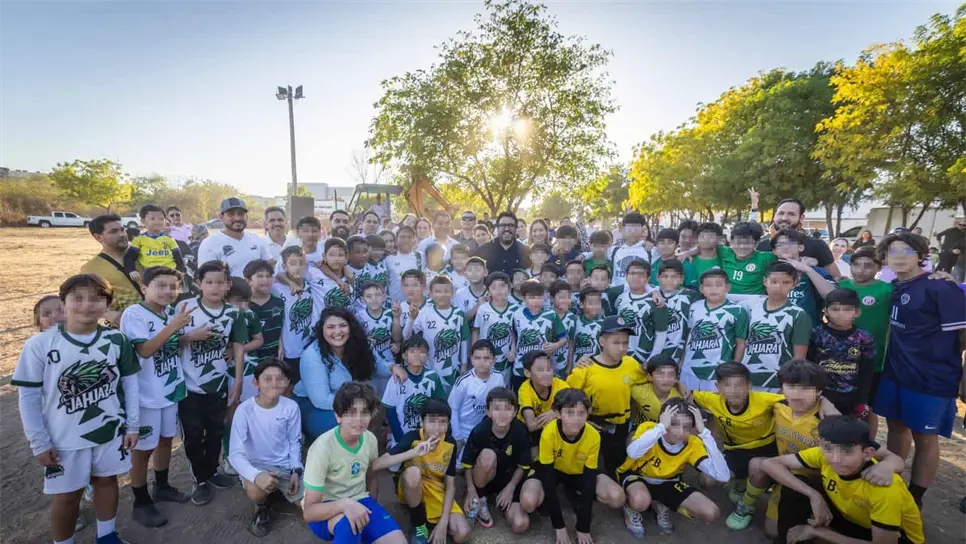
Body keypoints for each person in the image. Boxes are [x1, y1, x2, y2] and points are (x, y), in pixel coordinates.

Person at [13, 274, 140, 544]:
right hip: (64, 437)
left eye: (97, 298)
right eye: (78, 298)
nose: (87, 305)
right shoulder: (40, 344)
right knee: (68, 495)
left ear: (107, 304)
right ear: (64, 302)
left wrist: (132, 425)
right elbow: (28, 396)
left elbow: (130, 386)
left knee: (107, 482)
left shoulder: (116, 340)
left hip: (109, 430)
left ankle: (107, 537)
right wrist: (38, 441)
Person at [873, 231, 966, 509]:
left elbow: (962, 334)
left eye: (906, 250)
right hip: (896, 373)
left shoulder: (940, 287)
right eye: (893, 251)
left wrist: (942, 359)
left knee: (925, 437)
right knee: (896, 427)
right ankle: (894, 481)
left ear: (921, 255)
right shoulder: (894, 286)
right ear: (886, 258)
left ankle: (916, 496)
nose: (899, 256)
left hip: (932, 379)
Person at [761, 416, 924, 544]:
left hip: (894, 538)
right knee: (797, 485)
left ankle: (816, 535)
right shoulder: (823, 454)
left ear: (867, 453)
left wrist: (820, 532)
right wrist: (814, 496)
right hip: (850, 517)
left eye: (847, 451)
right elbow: (769, 463)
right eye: (828, 448)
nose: (836, 459)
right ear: (821, 444)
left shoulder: (884, 488)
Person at [302, 382, 430, 544]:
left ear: (372, 414)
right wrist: (345, 505)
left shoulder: (369, 439)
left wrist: (371, 510)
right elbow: (309, 512)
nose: (358, 420)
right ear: (338, 415)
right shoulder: (322, 448)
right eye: (351, 412)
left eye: (364, 413)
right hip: (326, 508)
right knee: (349, 524)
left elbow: (371, 474)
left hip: (360, 500)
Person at [120, 267, 192, 527]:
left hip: (170, 389)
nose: (167, 292)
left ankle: (161, 485)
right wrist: (174, 327)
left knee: (165, 441)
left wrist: (187, 335)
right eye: (160, 285)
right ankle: (140, 500)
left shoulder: (171, 313)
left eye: (173, 287)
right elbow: (145, 350)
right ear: (144, 288)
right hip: (146, 395)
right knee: (142, 449)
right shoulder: (134, 314)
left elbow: (174, 343)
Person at [177, 260, 248, 505]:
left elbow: (238, 347)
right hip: (189, 386)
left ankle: (212, 470)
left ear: (228, 285)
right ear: (199, 284)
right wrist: (189, 337)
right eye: (209, 282)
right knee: (194, 435)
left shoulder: (232, 313)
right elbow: (168, 342)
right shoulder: (185, 308)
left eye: (220, 282)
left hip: (218, 383)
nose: (215, 287)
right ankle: (199, 478)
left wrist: (237, 380)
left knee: (216, 430)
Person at [518, 389, 625, 544]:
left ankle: (572, 491)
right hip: (553, 471)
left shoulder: (593, 435)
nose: (576, 419)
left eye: (581, 413)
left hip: (579, 472)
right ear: (558, 413)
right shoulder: (549, 433)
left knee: (617, 497)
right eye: (569, 413)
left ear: (587, 414)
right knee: (528, 502)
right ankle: (561, 495)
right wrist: (559, 526)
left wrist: (583, 525)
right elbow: (547, 477)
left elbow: (589, 480)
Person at [619, 399, 730, 537]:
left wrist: (704, 433)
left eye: (687, 427)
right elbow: (633, 452)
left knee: (711, 512)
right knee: (640, 500)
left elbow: (723, 476)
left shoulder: (693, 443)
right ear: (663, 420)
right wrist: (660, 428)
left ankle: (662, 503)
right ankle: (630, 507)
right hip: (638, 476)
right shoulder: (649, 428)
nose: (679, 432)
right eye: (674, 424)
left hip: (670, 481)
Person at [228, 358, 303, 537]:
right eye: (267, 379)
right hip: (256, 466)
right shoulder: (244, 410)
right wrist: (256, 475)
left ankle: (278, 491)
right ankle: (262, 507)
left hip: (284, 466)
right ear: (256, 383)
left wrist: (295, 470)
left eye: (280, 379)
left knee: (311, 507)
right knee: (255, 491)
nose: (274, 384)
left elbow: (294, 441)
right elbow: (235, 454)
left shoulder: (291, 407)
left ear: (287, 383)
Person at [567, 316, 648, 477]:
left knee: (616, 468)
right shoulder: (586, 368)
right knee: (586, 469)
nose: (621, 348)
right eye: (616, 343)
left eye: (625, 343)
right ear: (602, 341)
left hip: (620, 425)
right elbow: (566, 397)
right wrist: (583, 421)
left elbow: (648, 379)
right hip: (592, 424)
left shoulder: (630, 364)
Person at [388, 399, 471, 544]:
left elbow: (450, 484)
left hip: (435, 489)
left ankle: (432, 522)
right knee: (413, 473)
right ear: (422, 421)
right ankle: (419, 525)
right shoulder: (412, 437)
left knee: (462, 534)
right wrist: (411, 453)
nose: (437, 428)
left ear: (448, 424)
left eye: (443, 422)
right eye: (431, 421)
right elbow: (378, 464)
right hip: (412, 484)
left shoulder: (450, 443)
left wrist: (443, 523)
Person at [295, 308, 376, 444]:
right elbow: (320, 400)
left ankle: (362, 448)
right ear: (322, 330)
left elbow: (379, 363)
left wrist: (393, 367)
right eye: (331, 327)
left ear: (351, 327)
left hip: (347, 399)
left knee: (371, 412)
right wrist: (358, 406)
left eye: (343, 326)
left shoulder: (358, 343)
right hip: (314, 406)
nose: (337, 332)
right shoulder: (312, 356)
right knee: (349, 423)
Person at [460, 388, 532, 532]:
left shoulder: (520, 431)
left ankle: (503, 504)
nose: (502, 414)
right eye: (496, 409)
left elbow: (523, 465)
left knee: (520, 524)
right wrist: (471, 489)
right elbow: (467, 464)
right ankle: (481, 498)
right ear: (488, 412)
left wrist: (511, 487)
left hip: (508, 479)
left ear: (515, 412)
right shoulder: (480, 431)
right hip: (484, 478)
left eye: (507, 409)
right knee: (488, 455)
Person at [740, 261, 812, 391]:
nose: (779, 287)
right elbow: (741, 343)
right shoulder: (749, 307)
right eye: (774, 282)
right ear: (765, 281)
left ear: (794, 284)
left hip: (777, 383)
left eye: (786, 283)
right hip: (747, 379)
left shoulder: (798, 315)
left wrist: (788, 385)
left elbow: (799, 358)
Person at [808, 288, 875, 417]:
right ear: (826, 311)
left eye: (847, 309)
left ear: (857, 312)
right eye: (835, 309)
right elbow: (809, 366)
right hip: (822, 396)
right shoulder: (816, 334)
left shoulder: (864, 337)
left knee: (848, 434)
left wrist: (862, 400)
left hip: (851, 397)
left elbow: (867, 371)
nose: (840, 314)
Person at [681, 269, 748, 391]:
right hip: (690, 368)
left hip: (718, 370)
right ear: (701, 289)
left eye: (719, 285)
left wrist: (734, 367)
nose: (713, 289)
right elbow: (688, 337)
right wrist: (682, 361)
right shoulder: (694, 307)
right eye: (708, 285)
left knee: (714, 407)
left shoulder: (738, 310)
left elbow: (741, 343)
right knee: (688, 405)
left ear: (727, 288)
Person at [404, 275, 470, 391]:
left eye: (446, 291)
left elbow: (464, 340)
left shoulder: (459, 314)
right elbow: (406, 336)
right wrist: (412, 318)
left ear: (452, 293)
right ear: (430, 294)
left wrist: (464, 364)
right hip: (430, 367)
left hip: (453, 369)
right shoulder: (425, 313)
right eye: (438, 291)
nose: (442, 294)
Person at [382, 336, 447, 449]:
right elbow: (390, 411)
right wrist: (400, 439)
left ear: (427, 356)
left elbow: (440, 406)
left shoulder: (433, 376)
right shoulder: (395, 379)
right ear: (404, 356)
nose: (417, 355)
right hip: (402, 433)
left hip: (426, 434)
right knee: (397, 466)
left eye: (422, 352)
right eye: (412, 351)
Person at [755, 197, 839, 280]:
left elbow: (835, 277)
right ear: (774, 216)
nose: (784, 218)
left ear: (801, 218)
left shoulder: (817, 245)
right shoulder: (763, 246)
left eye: (791, 214)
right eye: (781, 213)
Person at [81, 214, 143, 324]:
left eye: (122, 230)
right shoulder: (90, 268)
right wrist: (109, 314)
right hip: (127, 325)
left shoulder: (143, 253)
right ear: (99, 237)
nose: (122, 234)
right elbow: (88, 301)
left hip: (160, 318)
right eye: (113, 231)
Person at [449, 340, 506, 453]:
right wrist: (457, 436)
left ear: (494, 360)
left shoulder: (499, 378)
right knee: (459, 469)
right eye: (477, 358)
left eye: (486, 358)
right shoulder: (464, 381)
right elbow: (453, 408)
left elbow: (502, 406)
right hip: (465, 430)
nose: (482, 362)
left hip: (488, 430)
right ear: (471, 360)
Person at [509, 281, 568, 390]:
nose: (536, 301)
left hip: (543, 368)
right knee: (520, 399)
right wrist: (513, 350)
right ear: (523, 298)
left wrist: (555, 345)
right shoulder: (517, 314)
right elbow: (513, 334)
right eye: (532, 297)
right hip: (520, 367)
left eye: (539, 297)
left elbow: (564, 338)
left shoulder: (551, 315)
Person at [771, 228, 836, 324]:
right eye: (780, 245)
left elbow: (833, 296)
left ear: (800, 247)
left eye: (790, 243)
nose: (785, 247)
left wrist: (808, 270)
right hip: (776, 329)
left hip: (808, 329)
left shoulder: (816, 271)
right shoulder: (767, 271)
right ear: (774, 251)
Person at [197, 198, 272, 278]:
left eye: (241, 214)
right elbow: (207, 278)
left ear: (246, 216)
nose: (237, 218)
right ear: (221, 217)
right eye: (231, 214)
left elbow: (270, 265)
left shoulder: (256, 239)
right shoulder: (209, 244)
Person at [611, 259, 665, 364]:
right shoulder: (619, 297)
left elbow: (661, 334)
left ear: (648, 278)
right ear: (626, 276)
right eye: (632, 273)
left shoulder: (657, 302)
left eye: (641, 274)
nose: (636, 277)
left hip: (643, 356)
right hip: (620, 355)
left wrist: (651, 360)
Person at [516, 352, 568, 455]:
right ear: (527, 373)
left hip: (551, 427)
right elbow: (531, 425)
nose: (546, 373)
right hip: (528, 431)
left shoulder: (560, 385)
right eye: (540, 370)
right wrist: (559, 413)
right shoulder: (525, 389)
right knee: (534, 454)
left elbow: (575, 408)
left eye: (549, 369)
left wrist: (554, 413)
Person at [649, 260, 701, 362]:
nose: (669, 280)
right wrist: (652, 290)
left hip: (678, 351)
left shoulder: (692, 296)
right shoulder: (650, 294)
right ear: (657, 277)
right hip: (652, 348)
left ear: (681, 279)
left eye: (674, 276)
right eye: (665, 276)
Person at [472, 272, 517, 380]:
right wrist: (473, 352)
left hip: (506, 358)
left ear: (509, 288)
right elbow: (476, 331)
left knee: (503, 387)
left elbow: (514, 333)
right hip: (485, 356)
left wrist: (513, 350)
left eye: (502, 286)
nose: (499, 290)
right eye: (494, 287)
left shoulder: (516, 309)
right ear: (488, 291)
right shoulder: (483, 309)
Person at [244, 259, 285, 368]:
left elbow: (280, 325)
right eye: (260, 276)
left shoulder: (278, 302)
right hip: (250, 360)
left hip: (274, 358)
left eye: (268, 276)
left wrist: (281, 344)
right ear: (248, 281)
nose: (266, 280)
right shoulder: (244, 306)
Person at [629, 354, 684, 429]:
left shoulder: (681, 397)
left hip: (668, 431)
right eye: (660, 374)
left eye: (671, 374)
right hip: (642, 427)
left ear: (675, 378)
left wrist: (679, 383)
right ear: (649, 377)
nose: (666, 379)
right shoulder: (639, 391)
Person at [473, 211, 532, 277]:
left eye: (511, 225)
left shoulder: (526, 252)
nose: (507, 229)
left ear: (516, 228)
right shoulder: (482, 251)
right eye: (503, 225)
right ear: (497, 228)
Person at [610, 212, 651, 287]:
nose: (633, 232)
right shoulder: (613, 251)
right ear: (623, 229)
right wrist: (584, 255)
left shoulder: (650, 250)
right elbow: (595, 251)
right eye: (629, 228)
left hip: (640, 295)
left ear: (642, 230)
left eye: (636, 229)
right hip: (616, 295)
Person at [385, 225, 422, 303]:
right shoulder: (388, 259)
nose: (406, 240)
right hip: (394, 307)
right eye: (402, 237)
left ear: (414, 240)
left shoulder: (420, 257)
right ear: (396, 240)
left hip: (414, 305)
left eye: (409, 237)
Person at [454, 256, 488, 322]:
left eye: (477, 270)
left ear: (485, 272)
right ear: (465, 274)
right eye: (470, 270)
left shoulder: (492, 293)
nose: (473, 273)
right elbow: (459, 322)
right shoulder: (459, 294)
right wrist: (477, 306)